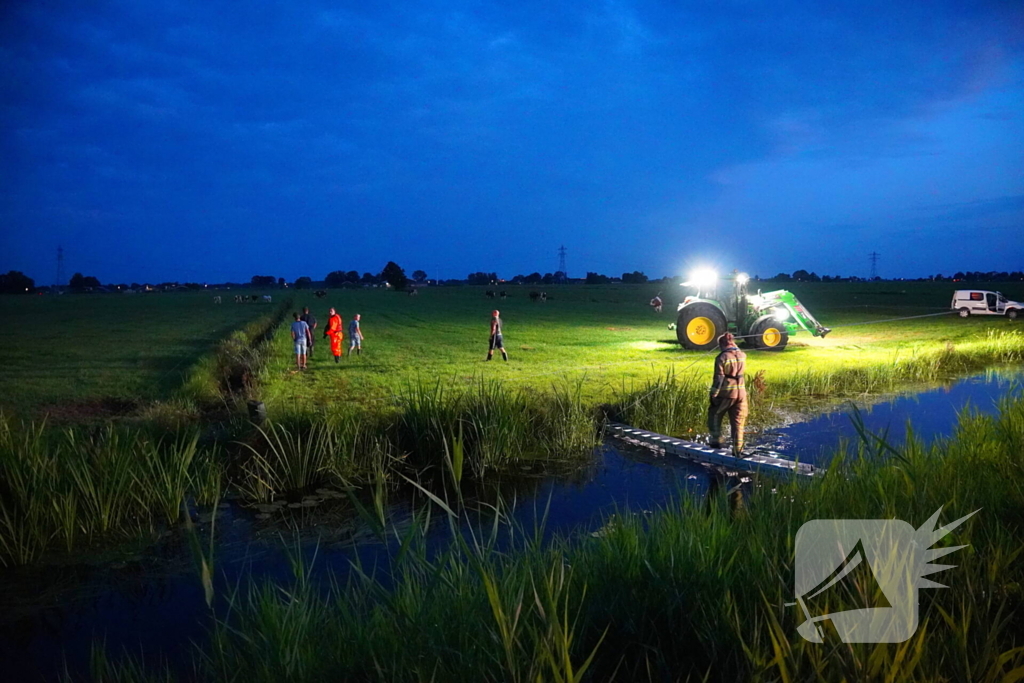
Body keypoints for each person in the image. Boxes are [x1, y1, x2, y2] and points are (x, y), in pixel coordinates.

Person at [707, 332, 747, 456]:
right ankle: (738, 450)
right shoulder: (742, 355)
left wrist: (713, 394)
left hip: (727, 392)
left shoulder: (722, 357)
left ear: (722, 345)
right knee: (738, 423)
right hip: (741, 393)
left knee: (714, 414)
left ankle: (716, 442)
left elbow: (719, 379)